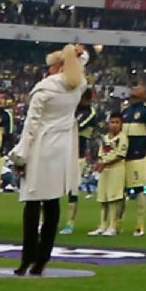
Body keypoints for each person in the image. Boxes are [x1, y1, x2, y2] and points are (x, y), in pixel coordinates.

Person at [9, 44, 87, 276]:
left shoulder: (44, 89)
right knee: (53, 204)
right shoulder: (78, 85)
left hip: (42, 146)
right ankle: (42, 259)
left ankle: (27, 259)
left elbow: (31, 125)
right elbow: (80, 63)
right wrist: (77, 53)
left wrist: (21, 155)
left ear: (57, 67)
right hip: (63, 148)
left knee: (32, 204)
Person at [121, 82, 146, 237]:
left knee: (139, 189)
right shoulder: (125, 110)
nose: (134, 88)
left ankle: (140, 225)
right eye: (134, 86)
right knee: (119, 191)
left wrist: (140, 147)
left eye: (139, 87)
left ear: (145, 93)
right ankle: (116, 223)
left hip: (137, 156)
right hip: (121, 156)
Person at [61, 89, 96, 235]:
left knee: (72, 190)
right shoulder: (70, 109)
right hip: (61, 153)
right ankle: (45, 221)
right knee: (51, 188)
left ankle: (70, 223)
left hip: (77, 155)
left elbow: (75, 126)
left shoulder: (90, 113)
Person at [91, 112, 128, 237]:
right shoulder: (105, 138)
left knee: (113, 199)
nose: (114, 125)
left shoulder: (122, 138)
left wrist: (104, 164)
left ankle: (113, 226)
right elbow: (101, 155)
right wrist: (100, 164)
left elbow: (120, 155)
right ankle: (102, 225)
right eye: (112, 122)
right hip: (105, 171)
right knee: (103, 199)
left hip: (116, 169)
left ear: (121, 124)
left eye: (117, 122)